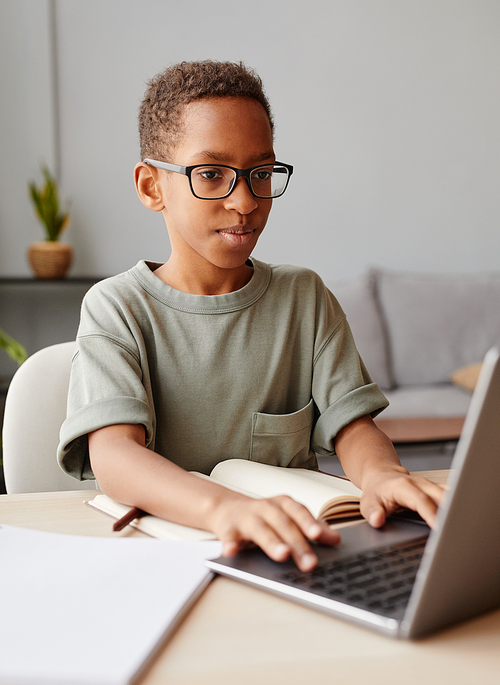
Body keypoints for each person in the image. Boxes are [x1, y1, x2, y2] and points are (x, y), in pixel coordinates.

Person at [58, 60, 443, 572]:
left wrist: (382, 476)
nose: (244, 201)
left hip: (290, 556)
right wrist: (226, 509)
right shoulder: (116, 308)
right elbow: (115, 459)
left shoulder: (303, 297)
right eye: (212, 174)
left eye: (260, 173)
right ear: (152, 187)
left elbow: (354, 425)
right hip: (162, 563)